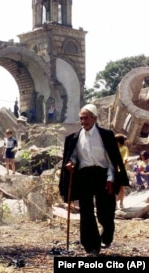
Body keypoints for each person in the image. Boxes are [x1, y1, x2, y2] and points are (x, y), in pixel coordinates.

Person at [59, 104, 129, 255]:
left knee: (105, 212)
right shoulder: (75, 138)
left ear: (95, 118)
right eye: (81, 118)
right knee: (86, 211)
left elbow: (112, 160)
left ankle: (107, 232)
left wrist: (111, 178)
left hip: (103, 176)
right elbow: (74, 156)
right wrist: (71, 162)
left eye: (86, 118)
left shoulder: (106, 135)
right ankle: (91, 245)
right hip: (84, 176)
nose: (83, 121)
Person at [115, 133, 129, 209]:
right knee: (114, 188)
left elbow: (125, 159)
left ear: (119, 141)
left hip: (121, 171)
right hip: (115, 170)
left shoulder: (124, 148)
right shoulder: (114, 149)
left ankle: (121, 203)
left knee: (121, 188)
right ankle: (115, 204)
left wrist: (121, 164)